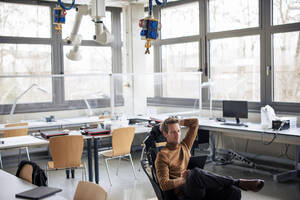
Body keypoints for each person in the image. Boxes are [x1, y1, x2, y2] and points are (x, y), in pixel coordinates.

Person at [155, 117, 264, 200]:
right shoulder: (162, 155)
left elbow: (195, 123)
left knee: (233, 192)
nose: (177, 135)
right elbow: (164, 185)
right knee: (195, 173)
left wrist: (177, 121)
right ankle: (237, 182)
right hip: (184, 192)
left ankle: (236, 184)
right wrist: (182, 180)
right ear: (165, 134)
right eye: (173, 132)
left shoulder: (185, 145)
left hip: (198, 186)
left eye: (178, 131)